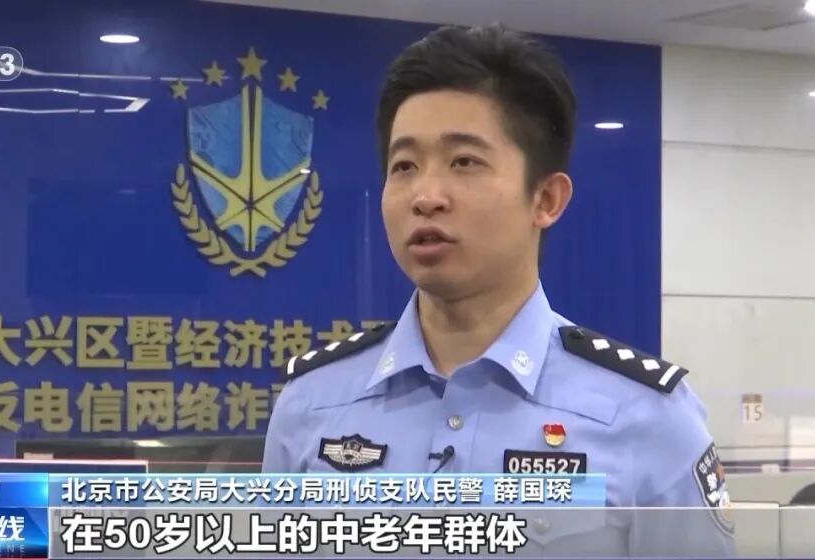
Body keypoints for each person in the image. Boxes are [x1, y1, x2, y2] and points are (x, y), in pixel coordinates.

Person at [263, 24, 735, 557]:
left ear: (547, 199)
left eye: (464, 162)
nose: (426, 196)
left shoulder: (647, 419)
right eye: (404, 166)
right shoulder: (313, 402)